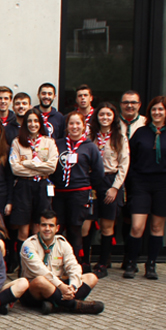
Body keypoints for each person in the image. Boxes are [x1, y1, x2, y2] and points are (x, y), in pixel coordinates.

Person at [123, 96, 166, 279]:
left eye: (160, 109)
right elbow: (131, 159)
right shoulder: (141, 133)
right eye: (154, 109)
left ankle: (151, 265)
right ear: (149, 112)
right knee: (136, 226)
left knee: (157, 226)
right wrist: (134, 180)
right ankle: (131, 262)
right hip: (141, 184)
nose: (157, 113)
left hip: (164, 185)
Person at [19, 210, 105, 315]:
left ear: (57, 228)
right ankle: (75, 306)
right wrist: (61, 286)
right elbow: (41, 271)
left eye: (51, 225)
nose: (47, 229)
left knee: (92, 277)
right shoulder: (28, 245)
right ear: (38, 227)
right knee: (41, 280)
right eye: (44, 225)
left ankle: (57, 306)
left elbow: (73, 266)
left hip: (57, 289)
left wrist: (72, 286)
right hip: (34, 291)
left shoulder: (62, 243)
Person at [51, 111, 104, 265]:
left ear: (83, 126)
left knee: (75, 229)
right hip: (59, 193)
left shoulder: (90, 147)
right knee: (58, 229)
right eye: (71, 123)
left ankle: (76, 264)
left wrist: (84, 184)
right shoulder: (58, 144)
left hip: (79, 193)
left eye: (77, 123)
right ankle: (57, 263)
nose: (74, 127)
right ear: (67, 126)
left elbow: (98, 172)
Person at [9, 109, 59, 260]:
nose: (33, 124)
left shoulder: (49, 142)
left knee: (38, 227)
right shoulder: (17, 142)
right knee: (23, 229)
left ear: (40, 123)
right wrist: (38, 166)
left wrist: (28, 164)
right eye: (29, 121)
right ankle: (22, 263)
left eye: (36, 121)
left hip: (42, 187)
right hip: (24, 187)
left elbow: (51, 167)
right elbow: (15, 168)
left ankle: (37, 262)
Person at [88, 103, 130, 278]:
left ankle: (103, 262)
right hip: (92, 182)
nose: (105, 118)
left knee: (107, 226)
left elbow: (124, 164)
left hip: (110, 181)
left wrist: (115, 188)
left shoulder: (119, 138)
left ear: (114, 117)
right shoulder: (91, 136)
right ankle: (84, 261)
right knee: (87, 224)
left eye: (108, 115)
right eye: (102, 114)